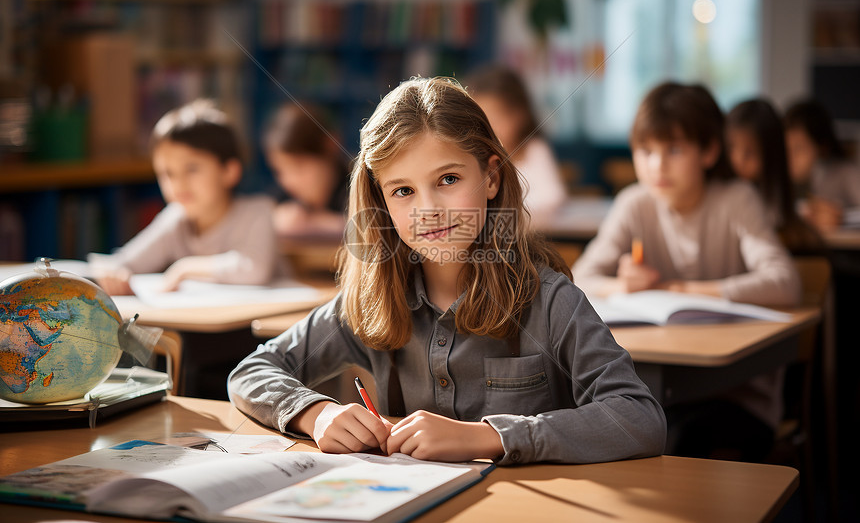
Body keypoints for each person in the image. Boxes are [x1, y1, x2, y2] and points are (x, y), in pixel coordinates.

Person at [228, 77, 666, 465]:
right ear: (382, 204)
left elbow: (639, 417)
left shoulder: (549, 301)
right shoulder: (373, 302)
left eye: (448, 180)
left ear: (491, 178)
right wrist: (315, 412)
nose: (429, 211)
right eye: (403, 190)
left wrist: (490, 436)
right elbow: (252, 371)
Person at [573, 82, 801, 462]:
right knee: (609, 426)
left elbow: (784, 282)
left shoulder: (737, 200)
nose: (657, 165)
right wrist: (622, 285)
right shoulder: (635, 203)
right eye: (646, 151)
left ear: (709, 151)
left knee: (673, 437)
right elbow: (579, 279)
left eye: (674, 150)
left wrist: (679, 289)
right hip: (655, 390)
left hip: (741, 395)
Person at [91, 99, 283, 296]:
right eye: (168, 173)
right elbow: (124, 262)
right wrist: (113, 273)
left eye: (192, 169)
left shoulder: (258, 212)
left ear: (229, 171)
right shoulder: (175, 218)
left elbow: (254, 269)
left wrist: (185, 268)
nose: (178, 185)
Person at [464, 64, 567, 227]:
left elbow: (553, 197)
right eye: (479, 120)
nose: (488, 128)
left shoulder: (534, 150)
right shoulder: (472, 156)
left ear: (520, 115)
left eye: (495, 119)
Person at [726, 98, 823, 254]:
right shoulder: (719, 196)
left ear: (772, 155)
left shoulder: (775, 212)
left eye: (750, 152)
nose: (738, 160)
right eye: (730, 148)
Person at [263, 102, 351, 238]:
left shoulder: (359, 187)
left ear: (330, 146)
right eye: (279, 171)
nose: (290, 181)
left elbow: (371, 228)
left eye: (299, 166)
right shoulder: (283, 197)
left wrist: (314, 222)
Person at [783, 98, 860, 232]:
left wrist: (842, 219)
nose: (790, 158)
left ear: (822, 147)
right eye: (785, 149)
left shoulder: (846, 173)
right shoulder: (780, 180)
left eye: (798, 149)